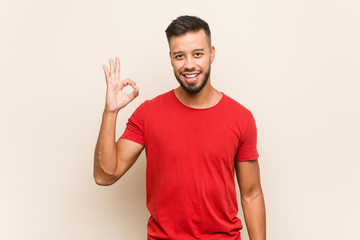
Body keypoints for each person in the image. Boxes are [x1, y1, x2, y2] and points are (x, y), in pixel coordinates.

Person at [94, 15, 266, 240]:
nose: (189, 65)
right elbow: (105, 176)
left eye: (197, 54)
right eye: (179, 56)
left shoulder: (241, 118)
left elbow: (251, 195)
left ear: (211, 54)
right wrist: (110, 112)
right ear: (171, 59)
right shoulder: (148, 113)